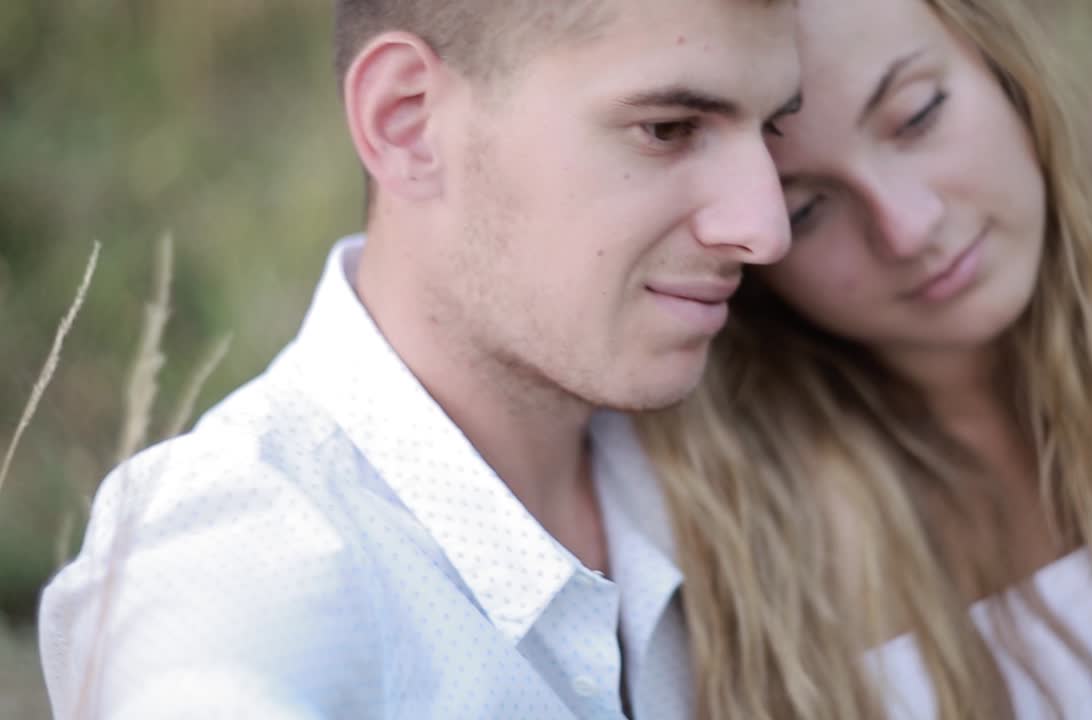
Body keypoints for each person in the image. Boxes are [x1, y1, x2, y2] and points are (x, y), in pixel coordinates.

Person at [38, 1, 801, 717]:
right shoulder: (242, 551)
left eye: (770, 130)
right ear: (406, 123)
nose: (765, 230)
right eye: (667, 129)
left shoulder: (749, 457)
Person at [636, 0, 1092, 717]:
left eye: (917, 116)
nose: (908, 229)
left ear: (1002, 66)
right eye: (805, 210)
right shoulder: (769, 539)